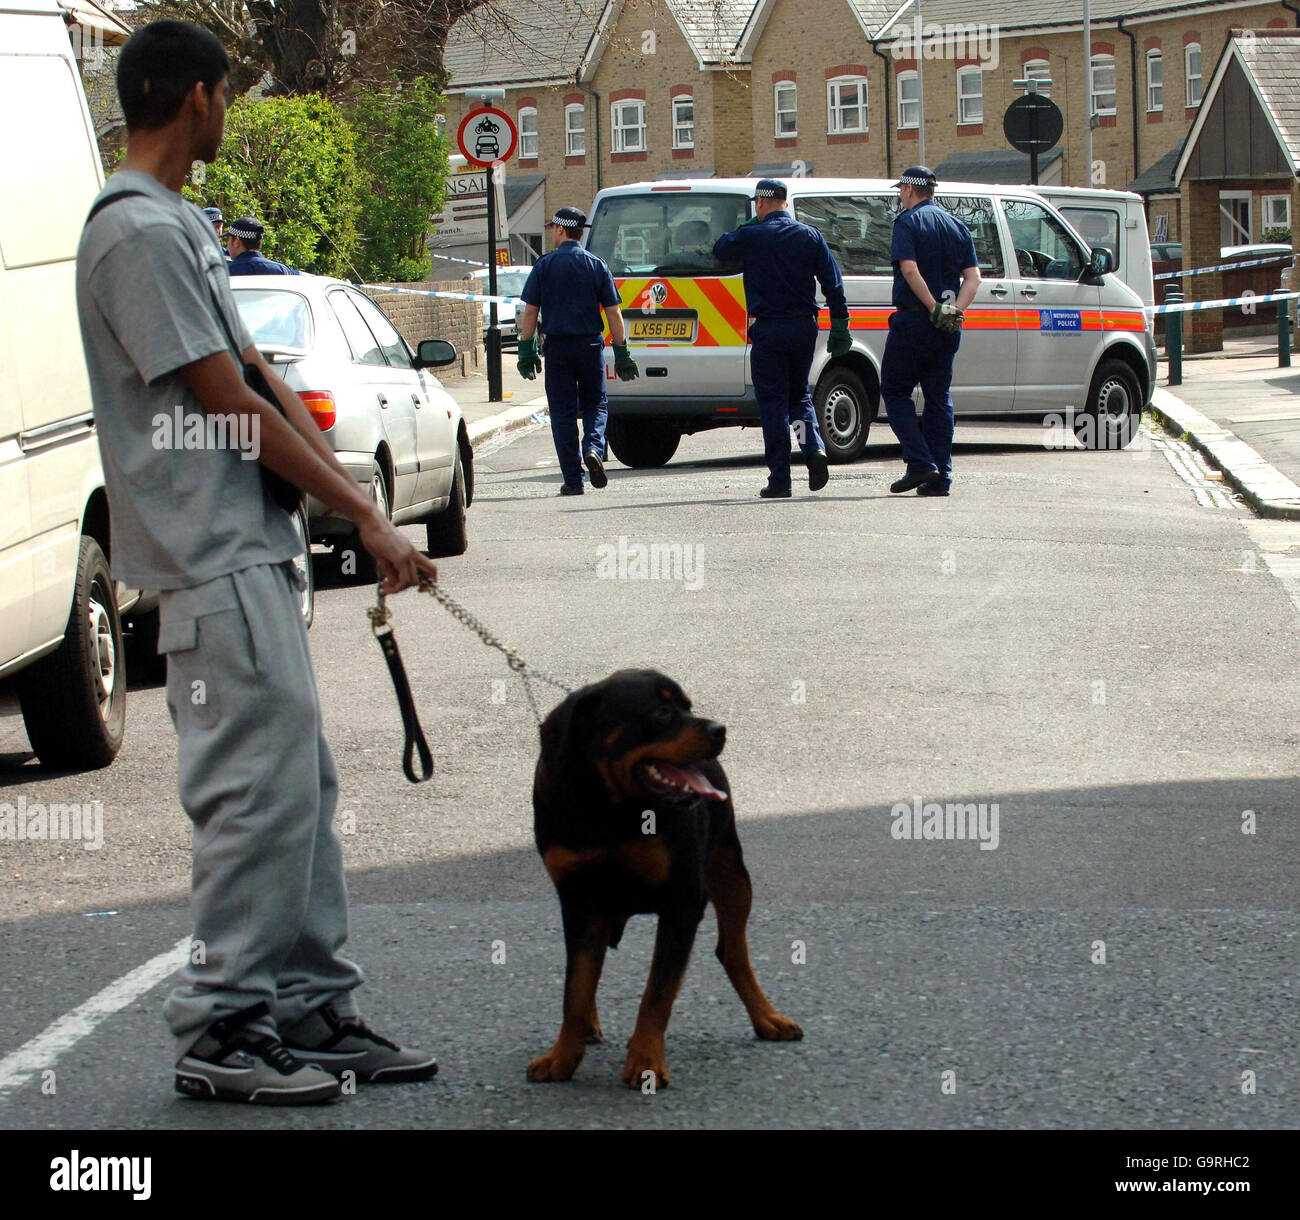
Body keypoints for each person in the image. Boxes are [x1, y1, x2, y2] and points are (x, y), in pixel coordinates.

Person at [75, 20, 439, 1105]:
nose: (229, 111)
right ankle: (225, 1022)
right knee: (252, 795)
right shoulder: (135, 232)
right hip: (206, 556)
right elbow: (223, 403)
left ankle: (305, 1002)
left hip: (248, 547)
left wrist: (353, 502)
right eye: (226, 94)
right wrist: (364, 515)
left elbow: (255, 375)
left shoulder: (175, 222)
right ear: (195, 97)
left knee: (298, 787)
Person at [713, 179, 850, 498]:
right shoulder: (810, 235)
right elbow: (833, 282)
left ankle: (780, 479)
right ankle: (813, 448)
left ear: (760, 204)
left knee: (773, 403)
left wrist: (748, 224)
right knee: (799, 395)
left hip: (768, 328)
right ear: (785, 203)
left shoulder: (751, 236)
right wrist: (840, 323)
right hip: (804, 326)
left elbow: (720, 249)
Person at [516, 207, 637, 495]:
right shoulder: (596, 265)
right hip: (590, 345)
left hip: (557, 348)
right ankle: (594, 448)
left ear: (560, 229)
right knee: (596, 403)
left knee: (562, 413)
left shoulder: (544, 266)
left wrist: (526, 349)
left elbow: (530, 311)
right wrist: (622, 352)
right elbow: (613, 313)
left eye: (552, 229)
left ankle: (573, 479)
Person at [879, 167, 981, 497]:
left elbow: (909, 269)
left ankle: (920, 461)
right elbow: (974, 278)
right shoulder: (957, 226)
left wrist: (930, 306)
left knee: (894, 390)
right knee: (939, 398)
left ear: (910, 190)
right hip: (947, 329)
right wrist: (954, 312)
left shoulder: (907, 223)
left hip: (913, 322)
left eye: (901, 189)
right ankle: (941, 477)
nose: (899, 195)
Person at [226, 215, 300, 275]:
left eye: (228, 239)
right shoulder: (282, 271)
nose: (227, 245)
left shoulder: (226, 273)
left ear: (236, 241)